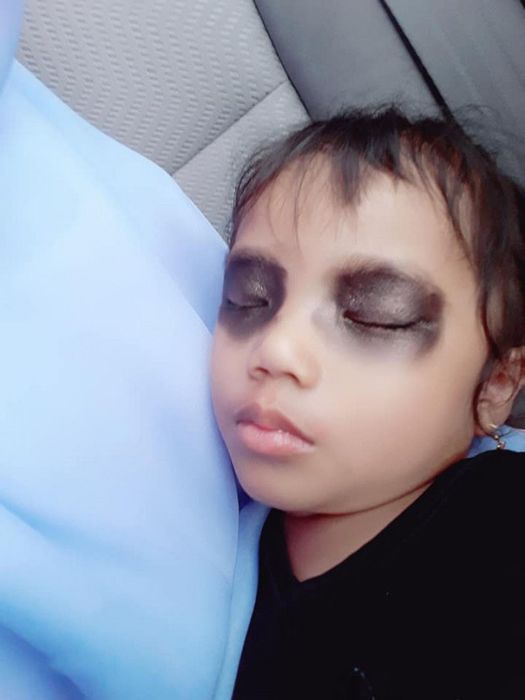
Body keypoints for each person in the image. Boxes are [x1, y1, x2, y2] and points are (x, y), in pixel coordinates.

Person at [210, 107, 525, 699]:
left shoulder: (501, 524)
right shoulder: (208, 559)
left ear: (495, 387)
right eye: (247, 299)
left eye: (374, 316)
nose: (275, 349)